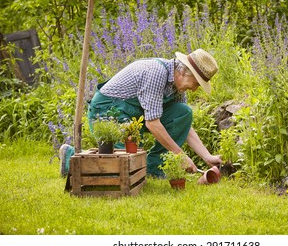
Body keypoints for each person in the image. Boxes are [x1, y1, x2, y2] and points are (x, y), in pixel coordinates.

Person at [60, 48, 222, 177]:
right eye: (196, 83)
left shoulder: (177, 87)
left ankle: (153, 169)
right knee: (123, 167)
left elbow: (183, 126)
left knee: (183, 113)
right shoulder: (156, 73)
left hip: (134, 116)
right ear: (183, 72)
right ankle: (71, 158)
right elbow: (153, 123)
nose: (194, 89)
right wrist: (180, 156)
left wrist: (207, 157)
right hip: (109, 111)